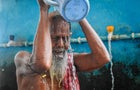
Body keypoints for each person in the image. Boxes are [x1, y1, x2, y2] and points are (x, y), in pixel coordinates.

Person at [14, 0, 110, 90]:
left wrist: (78, 14)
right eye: (55, 38)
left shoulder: (70, 62)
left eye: (65, 38)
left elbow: (102, 58)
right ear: (44, 37)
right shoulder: (24, 60)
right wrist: (43, 10)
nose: (60, 44)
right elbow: (42, 64)